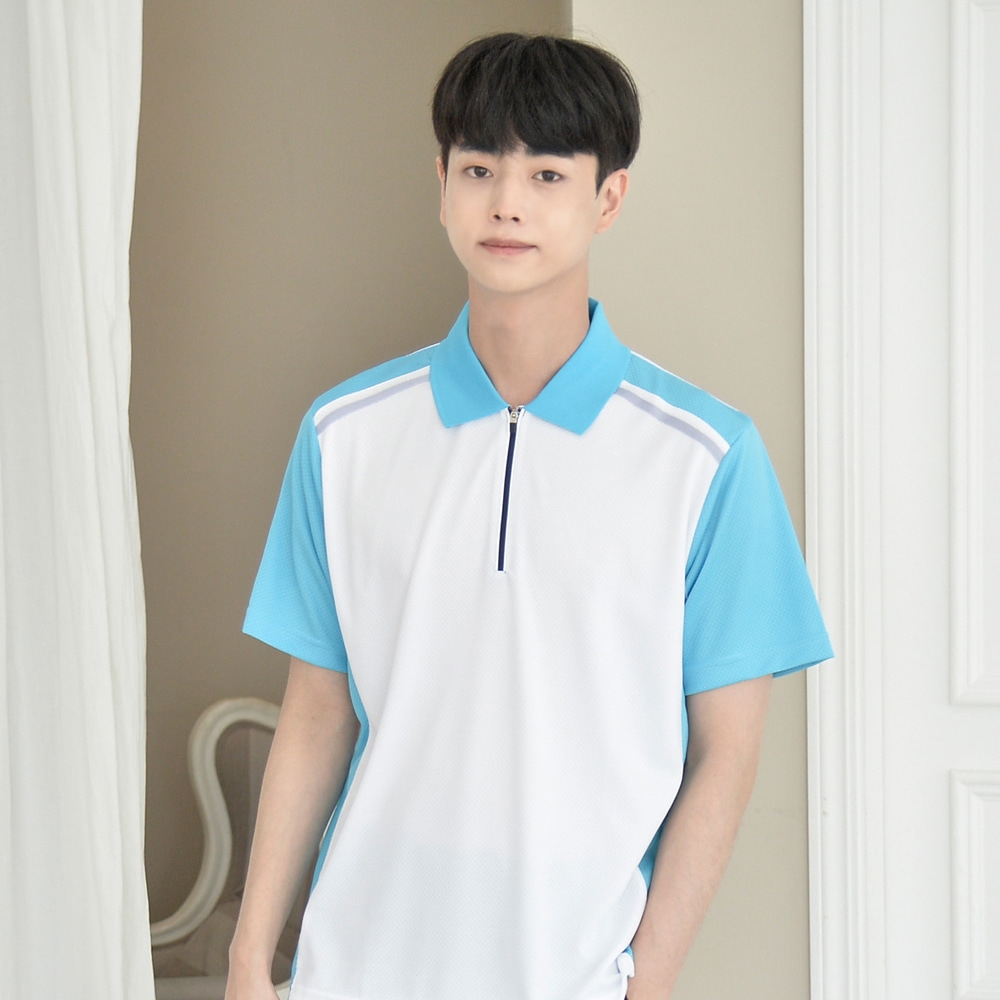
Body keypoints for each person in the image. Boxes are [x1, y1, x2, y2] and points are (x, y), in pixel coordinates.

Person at [226, 32, 833, 1000]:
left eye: (548, 173)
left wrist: (648, 981)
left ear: (608, 198)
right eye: (479, 168)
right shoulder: (344, 435)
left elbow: (726, 753)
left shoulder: (706, 457)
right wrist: (250, 958)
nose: (506, 203)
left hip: (576, 971)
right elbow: (315, 712)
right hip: (356, 963)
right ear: (441, 184)